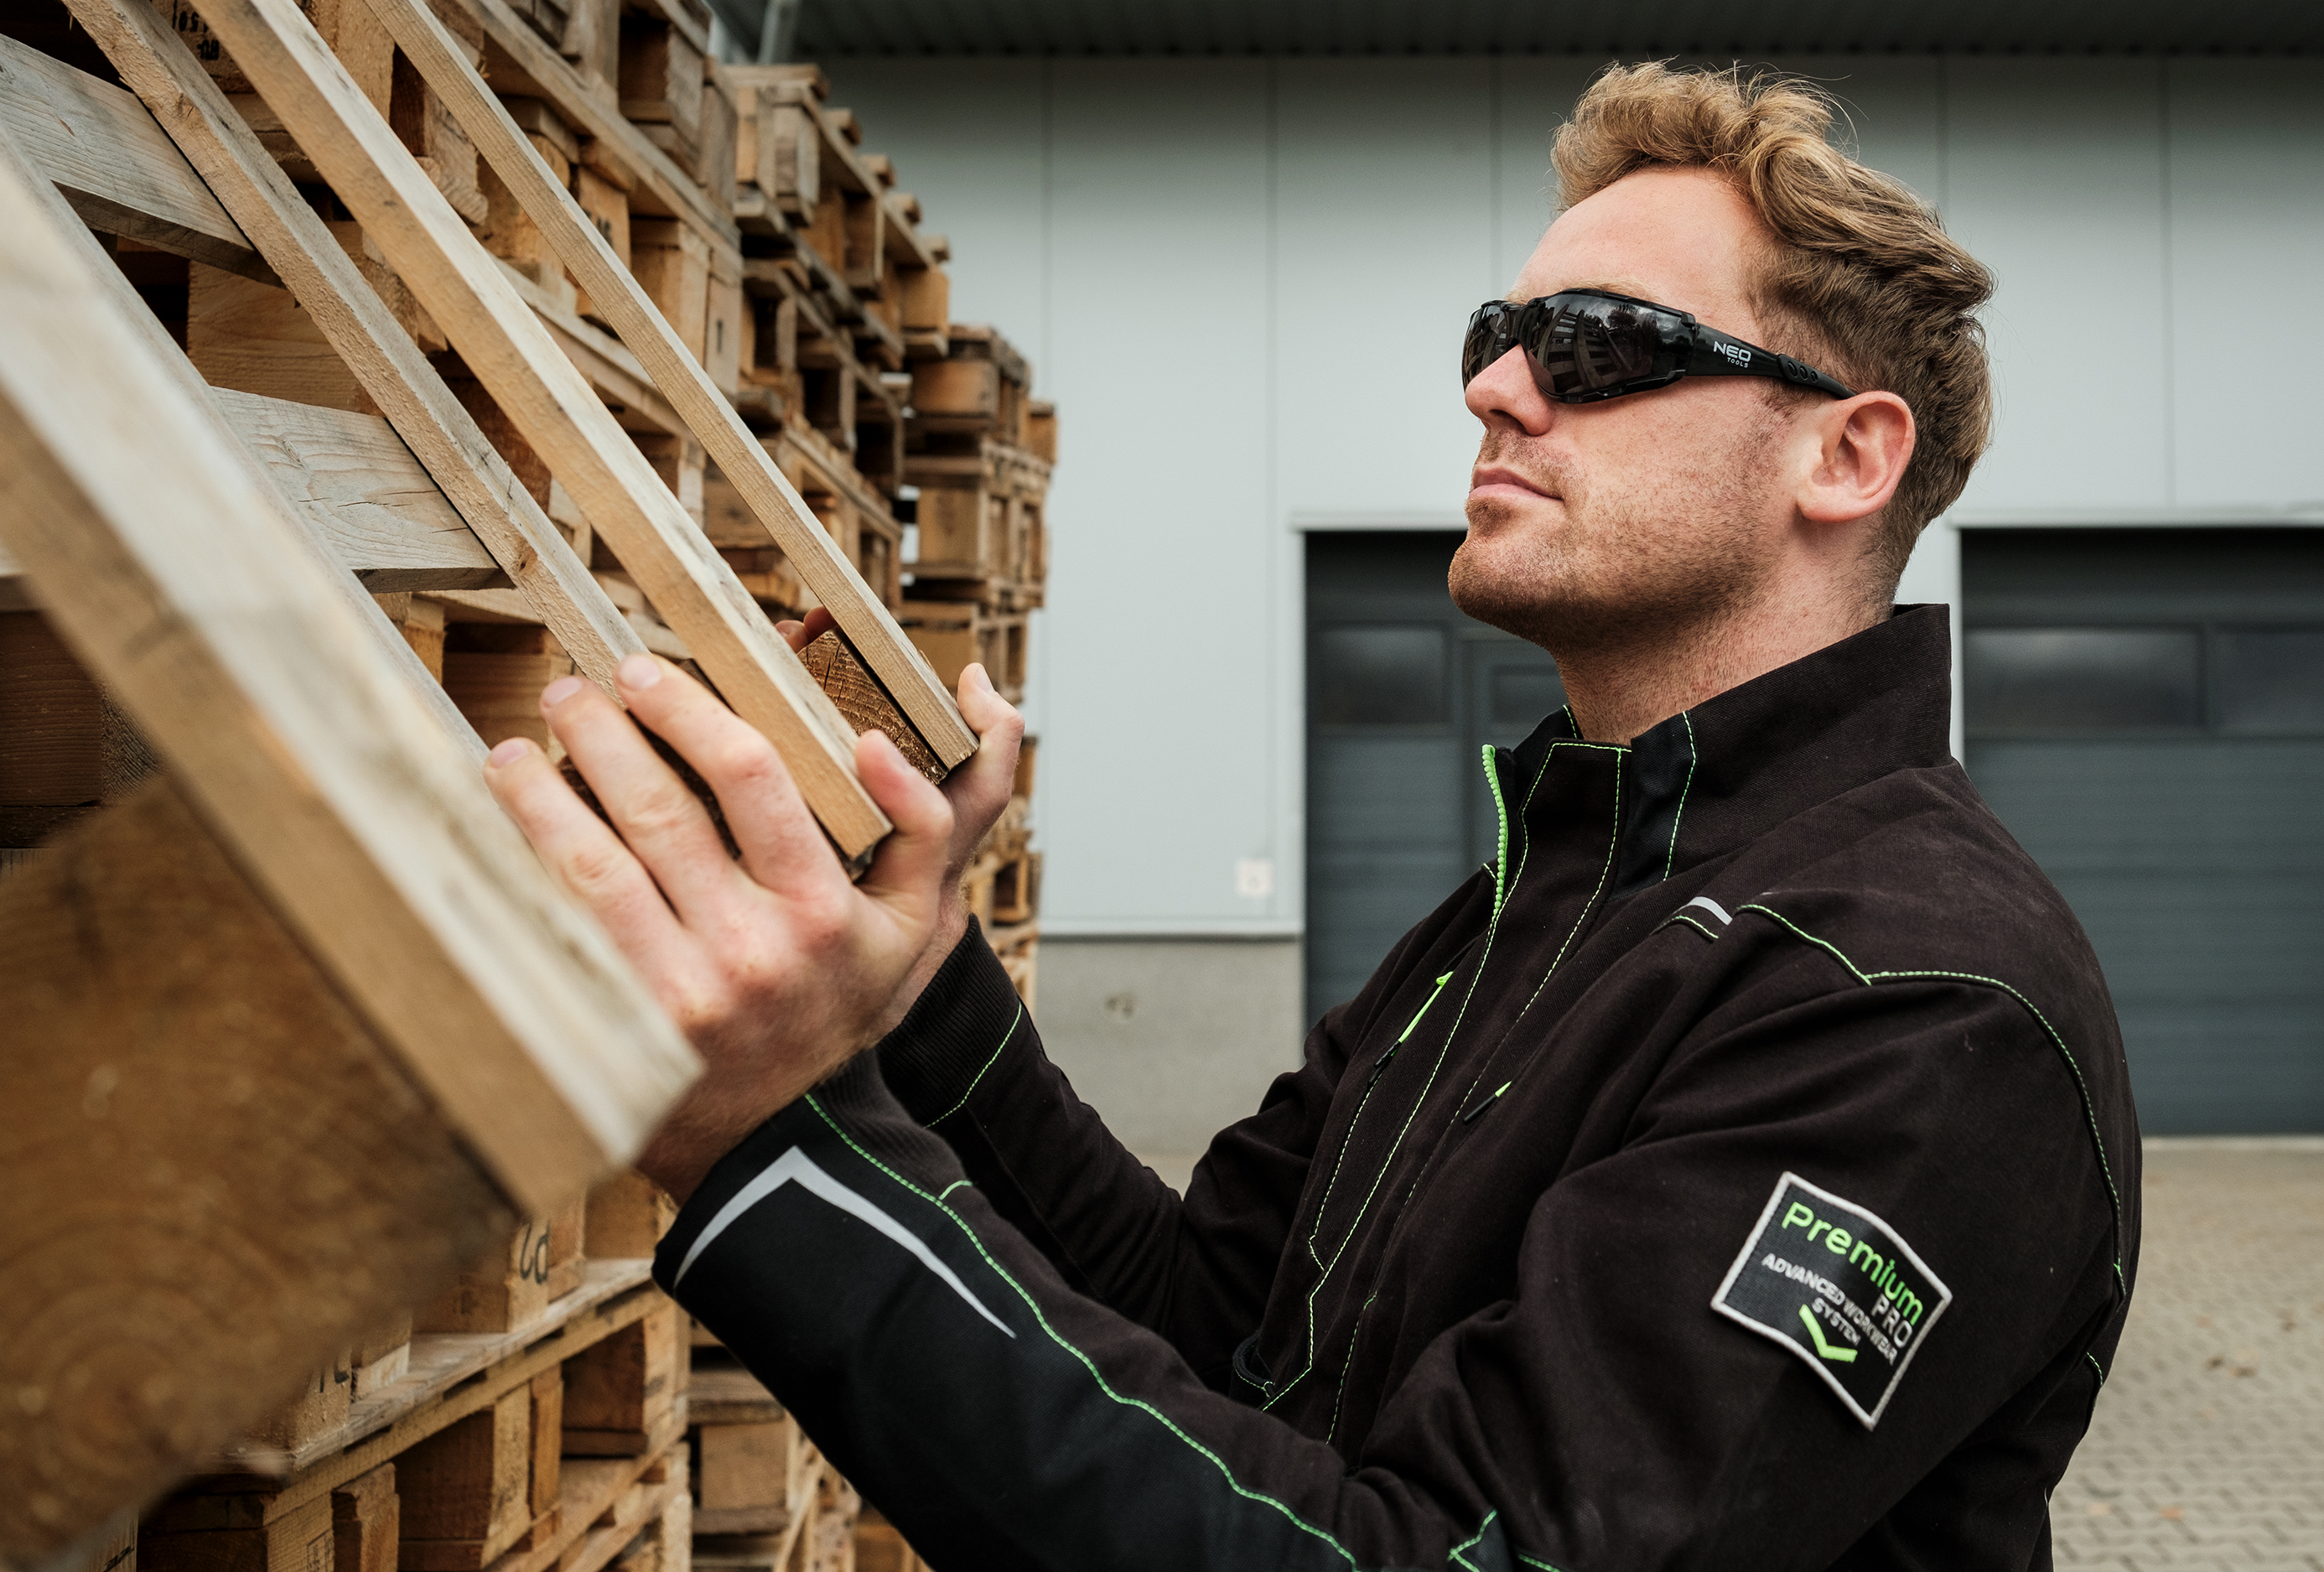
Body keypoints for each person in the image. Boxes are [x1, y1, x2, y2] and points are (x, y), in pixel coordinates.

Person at [485, 63, 2140, 1570]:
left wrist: (779, 1145)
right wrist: (909, 982)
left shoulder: (1921, 1002)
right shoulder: (1550, 896)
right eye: (1495, 335)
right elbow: (1204, 1320)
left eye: (1598, 344)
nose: (1499, 388)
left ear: (1845, 458)